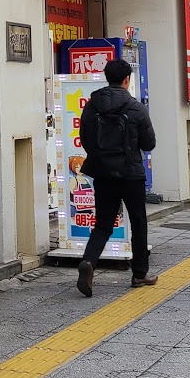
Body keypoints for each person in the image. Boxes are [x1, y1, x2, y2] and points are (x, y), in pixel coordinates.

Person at [75, 57, 157, 297]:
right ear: (127, 79)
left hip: (102, 173)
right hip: (131, 174)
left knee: (103, 223)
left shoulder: (92, 105)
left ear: (106, 77)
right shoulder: (136, 108)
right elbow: (149, 143)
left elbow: (85, 138)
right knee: (138, 222)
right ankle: (140, 274)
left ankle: (89, 262)